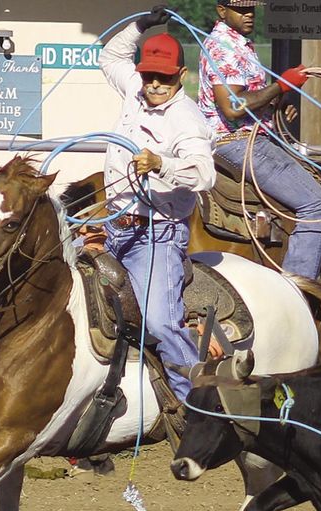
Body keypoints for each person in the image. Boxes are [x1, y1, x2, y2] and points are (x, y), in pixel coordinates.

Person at [97, 6, 215, 401]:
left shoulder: (186, 119)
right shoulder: (135, 89)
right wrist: (141, 25)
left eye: (164, 78)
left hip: (156, 235)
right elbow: (110, 57)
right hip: (114, 227)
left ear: (180, 76)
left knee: (163, 324)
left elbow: (204, 175)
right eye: (149, 75)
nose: (154, 84)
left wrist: (160, 163)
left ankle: (194, 406)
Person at [198, 0, 321, 281]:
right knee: (318, 206)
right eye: (241, 10)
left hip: (250, 138)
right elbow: (234, 106)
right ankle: (298, 291)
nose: (249, 15)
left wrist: (274, 104)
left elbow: (246, 100)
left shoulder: (239, 45)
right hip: (238, 143)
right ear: (221, 11)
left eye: (252, 10)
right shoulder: (223, 48)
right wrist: (281, 86)